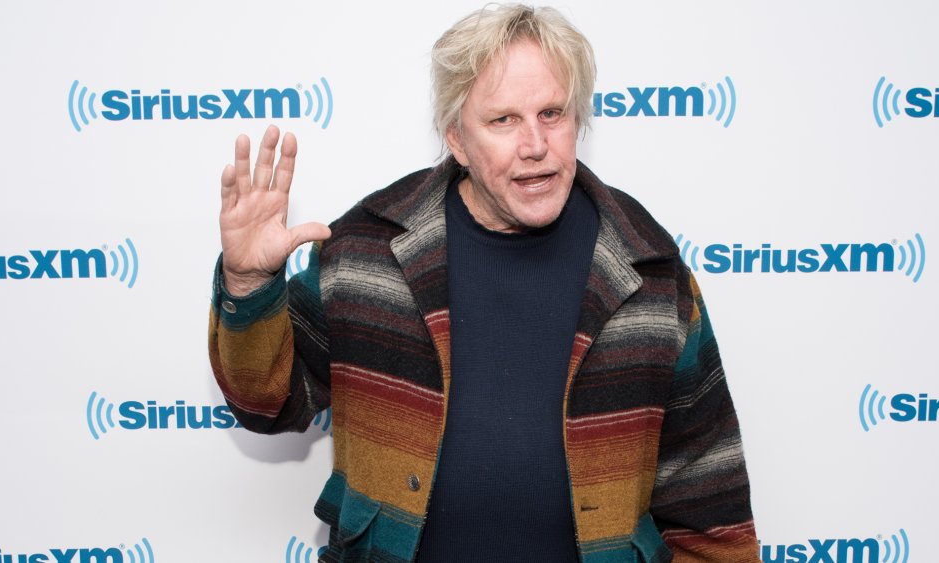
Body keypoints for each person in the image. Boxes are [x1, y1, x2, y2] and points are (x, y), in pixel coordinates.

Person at [209, 4, 760, 562]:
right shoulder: (366, 250)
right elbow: (267, 402)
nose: (535, 144)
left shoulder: (650, 271)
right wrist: (249, 284)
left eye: (553, 112)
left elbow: (710, 508)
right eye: (503, 120)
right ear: (457, 138)